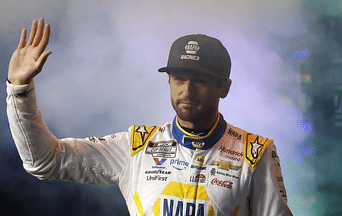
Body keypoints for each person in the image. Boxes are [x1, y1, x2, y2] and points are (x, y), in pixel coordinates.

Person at [6, 18, 293, 216]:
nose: (187, 90)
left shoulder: (256, 152)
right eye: (179, 78)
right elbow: (44, 161)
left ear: (225, 88)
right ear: (168, 81)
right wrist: (19, 91)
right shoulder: (137, 145)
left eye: (201, 81)